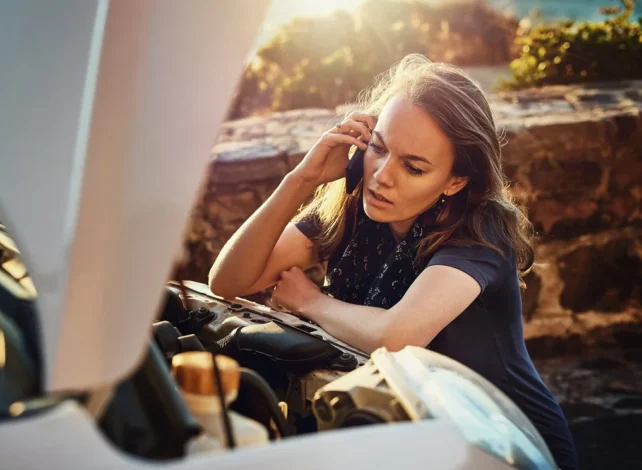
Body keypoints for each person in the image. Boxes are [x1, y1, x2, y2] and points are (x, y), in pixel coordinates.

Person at [208, 54, 578, 469]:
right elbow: (229, 280)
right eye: (379, 148)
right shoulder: (354, 206)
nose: (382, 176)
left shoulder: (479, 231)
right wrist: (302, 179)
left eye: (414, 167)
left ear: (456, 181)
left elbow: (396, 337)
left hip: (505, 443)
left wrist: (309, 301)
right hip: (407, 434)